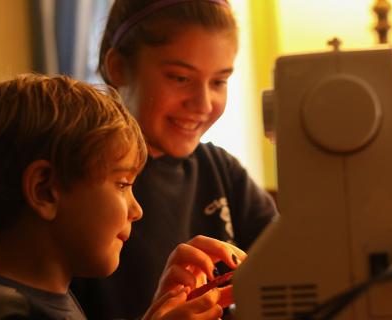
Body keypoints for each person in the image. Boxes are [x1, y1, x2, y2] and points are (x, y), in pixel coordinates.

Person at [0, 74, 246, 319]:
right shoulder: (0, 309)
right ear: (45, 190)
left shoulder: (53, 300)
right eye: (123, 184)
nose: (137, 210)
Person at [70, 0, 279, 319]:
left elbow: (291, 260)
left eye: (219, 81)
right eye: (180, 78)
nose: (203, 103)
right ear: (119, 67)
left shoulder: (221, 170)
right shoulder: (77, 178)